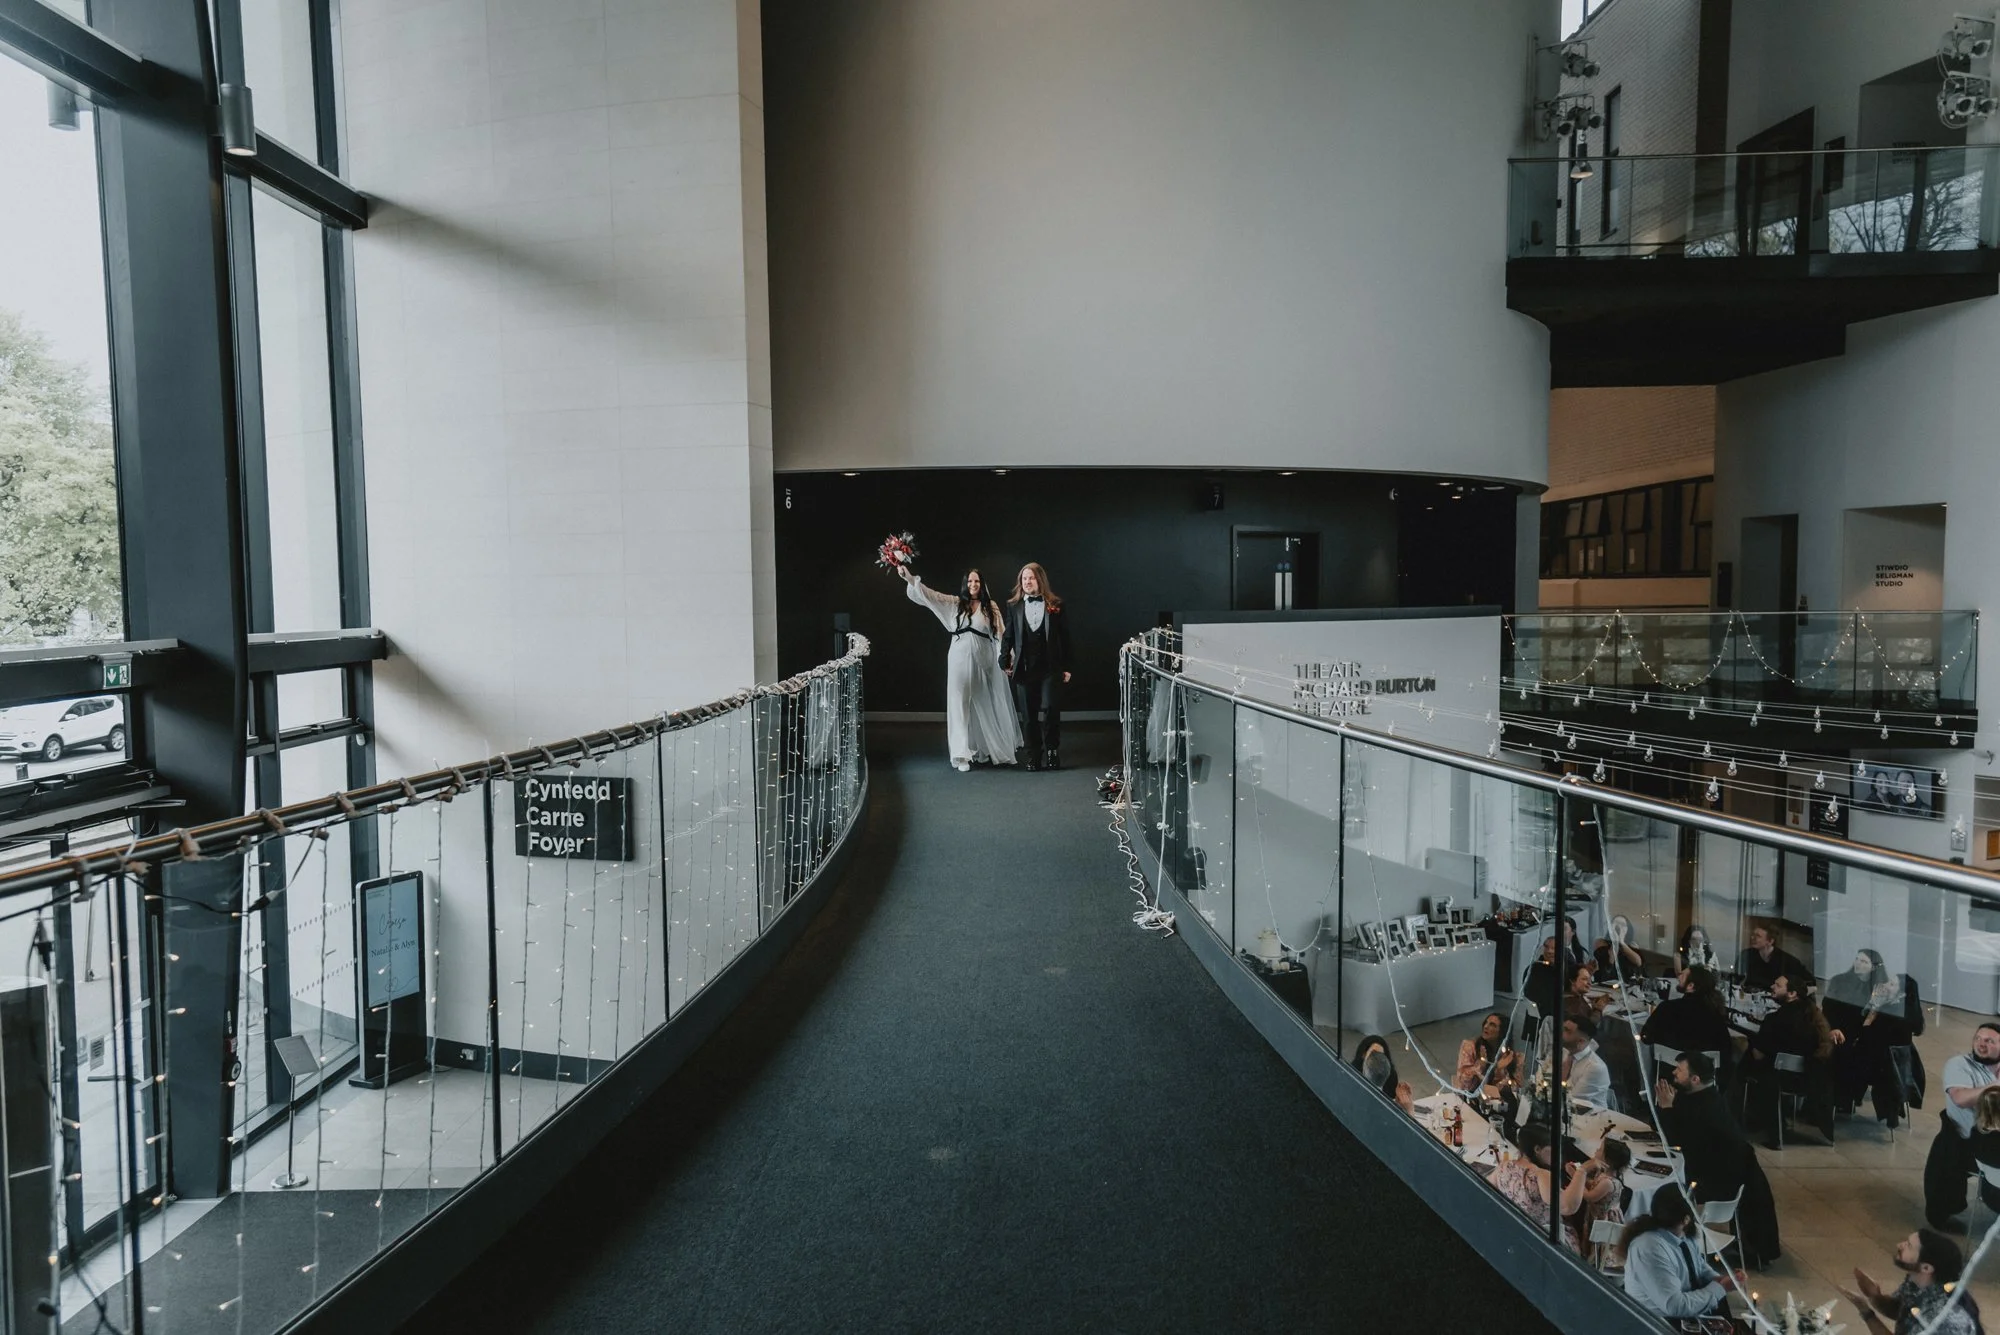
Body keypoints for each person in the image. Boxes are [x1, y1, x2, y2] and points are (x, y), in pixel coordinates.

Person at [1654, 1052, 1782, 1265]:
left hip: (1716, 1181)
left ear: (1695, 1079)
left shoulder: (1707, 1110)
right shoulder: (1703, 1096)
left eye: (1679, 1070)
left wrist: (1667, 1108)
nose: (1674, 1072)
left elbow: (1676, 1141)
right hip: (1727, 1170)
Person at [896, 566, 1023, 772]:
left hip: (984, 658)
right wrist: (909, 577)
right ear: (966, 584)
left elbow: (1001, 635)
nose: (973, 585)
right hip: (959, 658)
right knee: (959, 704)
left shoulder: (990, 606)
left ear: (982, 585)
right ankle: (960, 754)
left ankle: (991, 748)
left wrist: (1007, 660)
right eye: (970, 581)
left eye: (977, 581)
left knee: (986, 701)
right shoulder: (955, 603)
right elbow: (930, 595)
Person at [1825, 948, 1923, 1130]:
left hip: (1879, 1068)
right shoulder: (1900, 1010)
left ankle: (1835, 1101)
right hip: (1885, 1063)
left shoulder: (1893, 1014)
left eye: (1892, 985)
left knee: (1836, 1057)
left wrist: (1874, 1007)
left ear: (1901, 994)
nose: (1887, 986)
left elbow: (1866, 1033)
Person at [1620, 1186, 1747, 1320]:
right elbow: (1675, 1306)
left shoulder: (1684, 1235)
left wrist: (1716, 1279)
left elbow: (1698, 1265)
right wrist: (1721, 1288)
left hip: (1687, 1312)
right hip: (1658, 1322)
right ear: (1687, 1218)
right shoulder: (1649, 1248)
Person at [1738, 972, 1834, 1145]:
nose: (1772, 987)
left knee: (1745, 1060)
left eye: (1778, 985)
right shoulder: (1814, 1019)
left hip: (1777, 1080)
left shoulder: (1775, 1019)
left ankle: (1743, 1120)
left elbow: (1759, 1055)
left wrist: (1752, 1042)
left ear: (1792, 993)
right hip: (1809, 1080)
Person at [1924, 1021, 2000, 1231]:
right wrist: (1993, 1087)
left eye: (1989, 1041)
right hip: (1969, 1139)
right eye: (1978, 1039)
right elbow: (1959, 1098)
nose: (1981, 1044)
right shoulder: (1960, 1064)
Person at [1000, 563, 1072, 772]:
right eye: (1024, 579)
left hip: (1050, 667)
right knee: (1028, 714)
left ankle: (1052, 751)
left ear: (1040, 580)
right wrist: (1005, 660)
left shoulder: (1056, 604)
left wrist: (1067, 666)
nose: (1027, 582)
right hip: (1024, 667)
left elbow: (1065, 638)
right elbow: (1009, 636)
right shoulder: (1014, 606)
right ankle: (1033, 755)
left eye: (1031, 578)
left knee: (1050, 709)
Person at [1839, 1230, 1983, 1335]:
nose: (1899, 1245)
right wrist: (1875, 1296)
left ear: (1926, 1268)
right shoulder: (1917, 1282)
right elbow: (1898, 1310)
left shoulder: (1941, 1318)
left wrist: (1866, 1312)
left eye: (1908, 1246)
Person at [1491, 1121, 1585, 1253]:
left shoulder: (1503, 1167)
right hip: (1541, 1239)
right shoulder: (1541, 1176)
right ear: (1537, 1150)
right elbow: (1568, 1206)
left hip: (1513, 1231)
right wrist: (1582, 1172)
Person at [1641, 965, 1731, 1073]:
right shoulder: (1715, 1014)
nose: (1678, 977)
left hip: (1668, 1075)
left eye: (1682, 975)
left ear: (1691, 986)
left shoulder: (1667, 1008)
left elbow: (1646, 1038)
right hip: (1700, 1078)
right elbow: (1725, 1049)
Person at [1457, 1012, 1522, 1092]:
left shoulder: (1513, 1057)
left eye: (1492, 1025)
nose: (1486, 1026)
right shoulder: (1469, 1047)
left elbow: (1516, 1089)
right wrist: (1484, 1066)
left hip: (1500, 1100)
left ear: (1502, 1032)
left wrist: (1500, 1073)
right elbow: (1464, 1083)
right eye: (1486, 1023)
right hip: (1474, 1097)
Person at [1562, 1015, 1614, 1111]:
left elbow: (1572, 1100)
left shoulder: (1594, 1068)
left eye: (1567, 1031)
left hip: (1588, 1118)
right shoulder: (1564, 1052)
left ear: (1581, 1041)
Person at [1738, 923, 1809, 993]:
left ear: (1770, 941)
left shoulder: (1788, 960)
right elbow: (1737, 978)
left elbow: (1809, 984)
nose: (1752, 938)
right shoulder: (1746, 954)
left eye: (1758, 936)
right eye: (1753, 934)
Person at [1353, 1034, 1413, 1112]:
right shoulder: (1353, 1078)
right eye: (1373, 1055)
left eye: (1381, 1056)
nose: (1378, 1060)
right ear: (1363, 1056)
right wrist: (1409, 1110)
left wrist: (1403, 1104)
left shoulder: (1390, 1078)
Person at [1594, 914, 1643, 981]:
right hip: (1606, 982)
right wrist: (1615, 942)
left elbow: (1638, 962)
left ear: (1627, 929)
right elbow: (1610, 961)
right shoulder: (1601, 942)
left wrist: (1622, 942)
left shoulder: (1632, 945)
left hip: (1626, 983)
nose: (1619, 927)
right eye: (1616, 924)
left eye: (1623, 925)